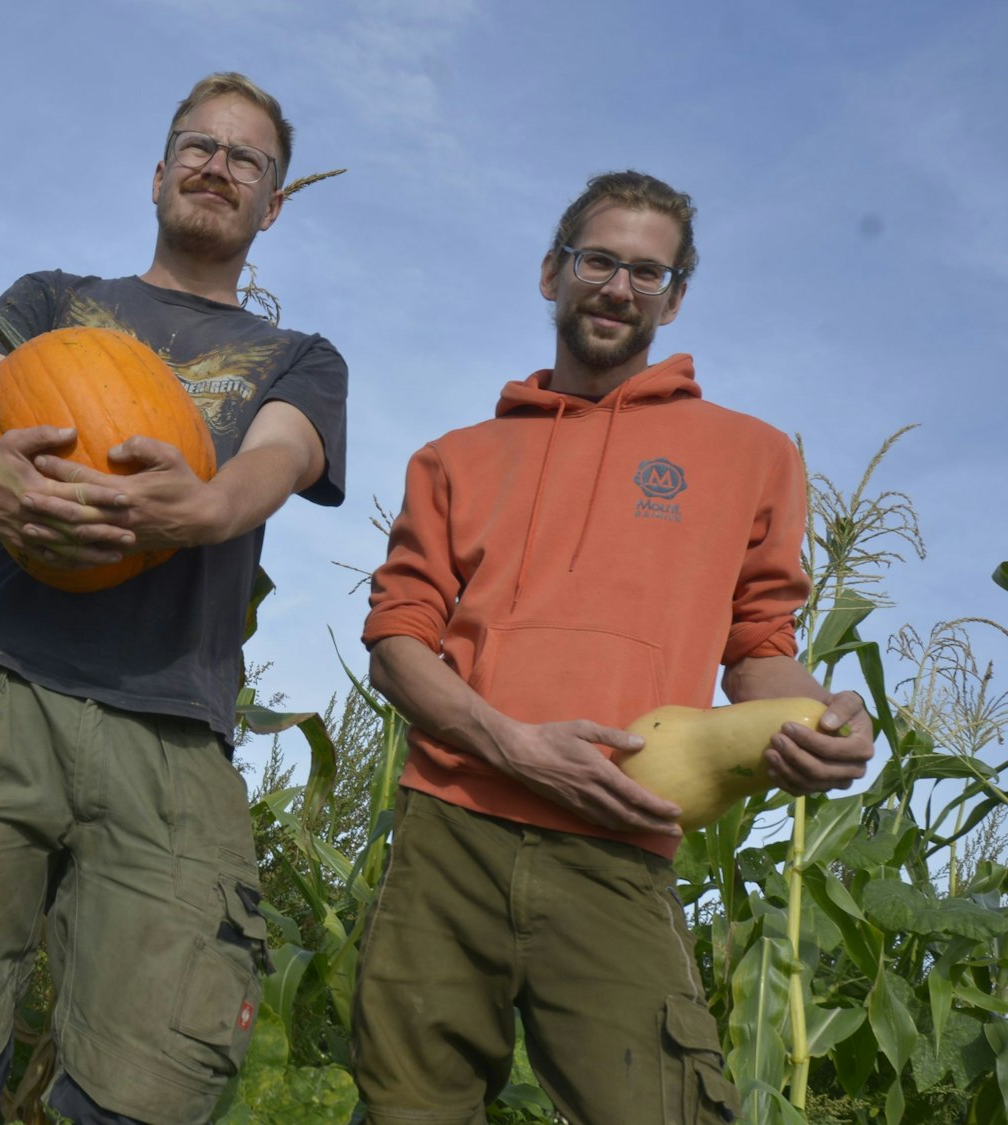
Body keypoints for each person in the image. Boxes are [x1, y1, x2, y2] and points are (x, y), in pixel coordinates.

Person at [0, 72, 348, 1125]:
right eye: (196, 144)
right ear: (159, 169)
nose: (216, 165)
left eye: (244, 157)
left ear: (274, 201)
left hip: (167, 728)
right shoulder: (50, 299)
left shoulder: (298, 358)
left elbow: (282, 457)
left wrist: (202, 513)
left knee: (152, 1086)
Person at [350, 171, 875, 1124]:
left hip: (619, 839)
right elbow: (396, 640)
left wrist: (822, 716)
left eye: (646, 270)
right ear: (552, 272)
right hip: (449, 832)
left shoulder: (752, 455)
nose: (617, 287)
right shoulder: (453, 457)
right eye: (598, 260)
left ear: (674, 297)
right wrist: (511, 743)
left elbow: (759, 645)